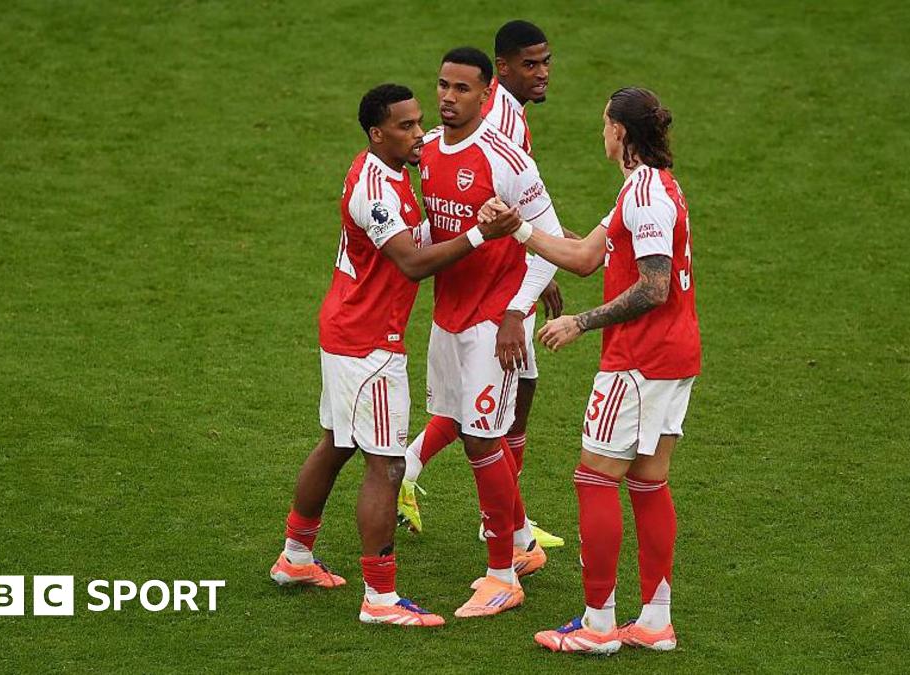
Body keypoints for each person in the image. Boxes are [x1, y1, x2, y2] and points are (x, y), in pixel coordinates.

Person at [268, 83, 522, 628]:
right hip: (369, 345)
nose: (419, 134)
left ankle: (295, 557)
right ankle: (380, 598)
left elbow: (423, 238)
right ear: (376, 133)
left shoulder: (387, 172)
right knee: (384, 467)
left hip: (345, 330)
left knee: (336, 444)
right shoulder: (377, 191)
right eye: (405, 127)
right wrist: (481, 233)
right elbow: (411, 262)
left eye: (419, 121)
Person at [485, 87, 698, 653]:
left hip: (640, 361)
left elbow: (652, 287)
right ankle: (655, 621)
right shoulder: (645, 189)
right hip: (674, 357)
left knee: (595, 478)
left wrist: (582, 323)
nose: (600, 132)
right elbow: (583, 258)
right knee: (649, 483)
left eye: (605, 124)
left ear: (622, 134)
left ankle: (598, 625)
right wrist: (520, 230)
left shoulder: (645, 198)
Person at [399, 20, 565, 551]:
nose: (448, 98)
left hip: (497, 311)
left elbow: (541, 227)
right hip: (450, 313)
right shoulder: (426, 149)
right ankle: (509, 527)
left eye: (461, 89)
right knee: (463, 419)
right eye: (443, 87)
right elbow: (433, 216)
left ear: (485, 91)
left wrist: (521, 304)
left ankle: (508, 553)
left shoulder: (502, 148)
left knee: (484, 431)